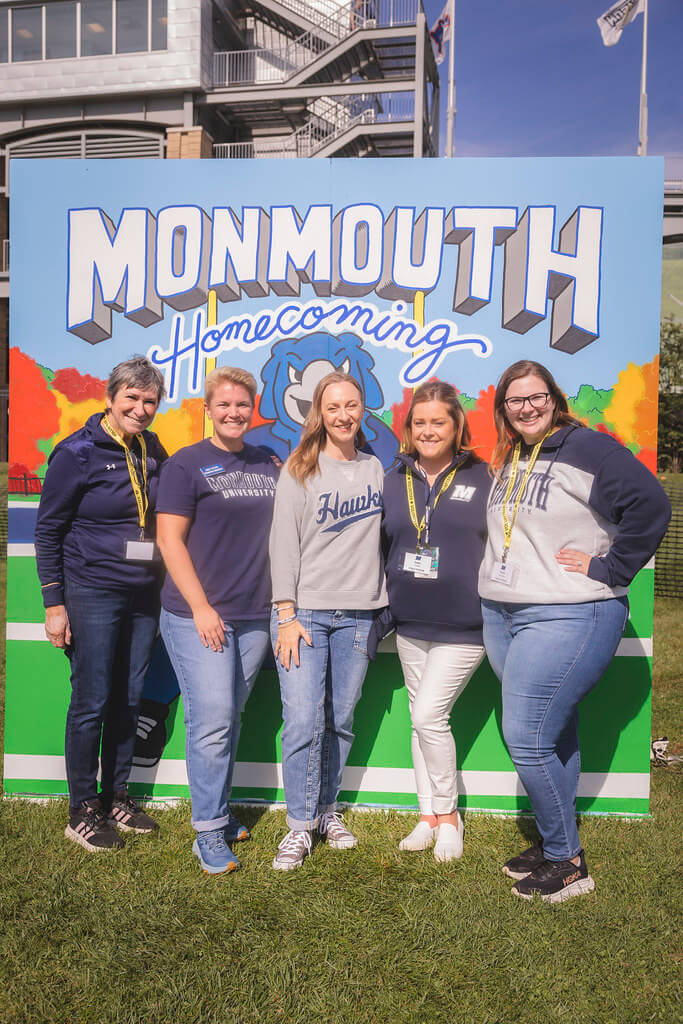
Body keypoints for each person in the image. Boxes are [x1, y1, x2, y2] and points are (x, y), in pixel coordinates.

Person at [479, 359, 671, 903]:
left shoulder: (586, 447)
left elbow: (652, 504)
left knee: (527, 735)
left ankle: (568, 863)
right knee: (553, 732)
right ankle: (552, 841)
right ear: (504, 409)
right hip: (507, 612)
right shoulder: (514, 454)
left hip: (569, 612)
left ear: (554, 398)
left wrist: (609, 568)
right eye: (515, 401)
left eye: (536, 396)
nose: (527, 408)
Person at [35, 356, 167, 852]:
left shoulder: (151, 448)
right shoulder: (78, 452)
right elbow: (47, 530)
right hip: (91, 591)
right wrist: (54, 604)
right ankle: (81, 809)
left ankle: (117, 797)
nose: (140, 408)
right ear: (110, 398)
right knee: (91, 700)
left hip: (143, 594)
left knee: (129, 699)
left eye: (149, 400)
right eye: (131, 398)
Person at [156, 366, 279, 876]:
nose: (234, 413)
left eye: (243, 405)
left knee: (229, 719)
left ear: (254, 410)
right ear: (208, 409)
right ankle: (207, 832)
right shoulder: (186, 465)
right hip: (196, 615)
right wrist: (203, 607)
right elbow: (169, 541)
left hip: (255, 616)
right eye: (224, 404)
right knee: (212, 724)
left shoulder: (269, 462)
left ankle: (221, 815)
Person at [269, 371, 387, 870]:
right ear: (320, 412)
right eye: (333, 406)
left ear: (362, 411)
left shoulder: (376, 468)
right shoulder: (300, 468)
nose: (343, 415)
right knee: (301, 720)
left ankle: (326, 810)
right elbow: (283, 544)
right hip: (307, 615)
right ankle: (299, 825)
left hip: (360, 613)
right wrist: (286, 613)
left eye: (352, 405)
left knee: (339, 719)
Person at [382, 381, 488, 861]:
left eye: (438, 422)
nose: (428, 430)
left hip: (467, 625)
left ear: (457, 425)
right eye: (419, 422)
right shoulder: (393, 477)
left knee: (429, 715)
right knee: (417, 721)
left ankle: (449, 819)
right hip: (410, 621)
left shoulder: (485, 477)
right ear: (409, 428)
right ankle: (426, 816)